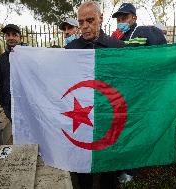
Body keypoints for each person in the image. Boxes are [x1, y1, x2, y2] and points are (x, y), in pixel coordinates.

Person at [66, 2, 124, 189]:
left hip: (109, 114)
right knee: (83, 164)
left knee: (109, 166)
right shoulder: (70, 50)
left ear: (101, 18)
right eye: (81, 22)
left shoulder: (118, 48)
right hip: (81, 115)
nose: (84, 26)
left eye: (90, 20)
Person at [0, 24, 26, 121]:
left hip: (27, 102)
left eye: (14, 35)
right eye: (8, 35)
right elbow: (1, 81)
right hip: (9, 104)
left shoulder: (29, 56)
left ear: (20, 37)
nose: (11, 38)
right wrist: (4, 102)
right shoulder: (2, 58)